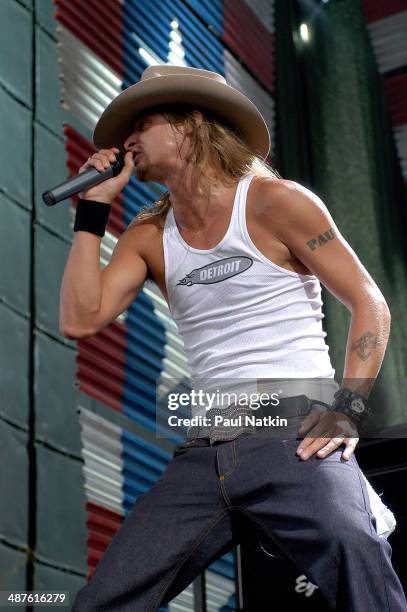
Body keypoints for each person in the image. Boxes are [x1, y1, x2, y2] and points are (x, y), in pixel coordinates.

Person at [62, 66, 407, 611]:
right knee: (102, 600)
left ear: (192, 125)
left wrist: (347, 408)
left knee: (355, 552)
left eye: (143, 122)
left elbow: (370, 303)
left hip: (294, 433)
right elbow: (80, 319)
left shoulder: (276, 202)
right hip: (206, 449)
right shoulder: (148, 235)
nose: (127, 139)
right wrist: (93, 212)